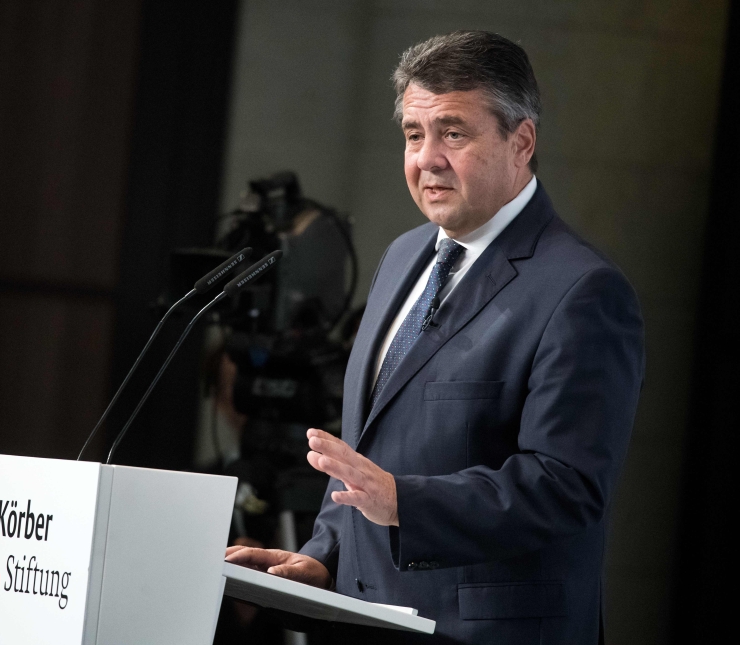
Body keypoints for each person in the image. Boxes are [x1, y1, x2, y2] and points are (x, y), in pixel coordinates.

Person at [226, 31, 645, 644]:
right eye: (413, 136)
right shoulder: (403, 256)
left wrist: (405, 504)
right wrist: (325, 557)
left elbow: (567, 487)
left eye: (454, 133)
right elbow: (373, 451)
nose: (427, 159)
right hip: (368, 621)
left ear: (521, 142)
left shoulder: (582, 290)